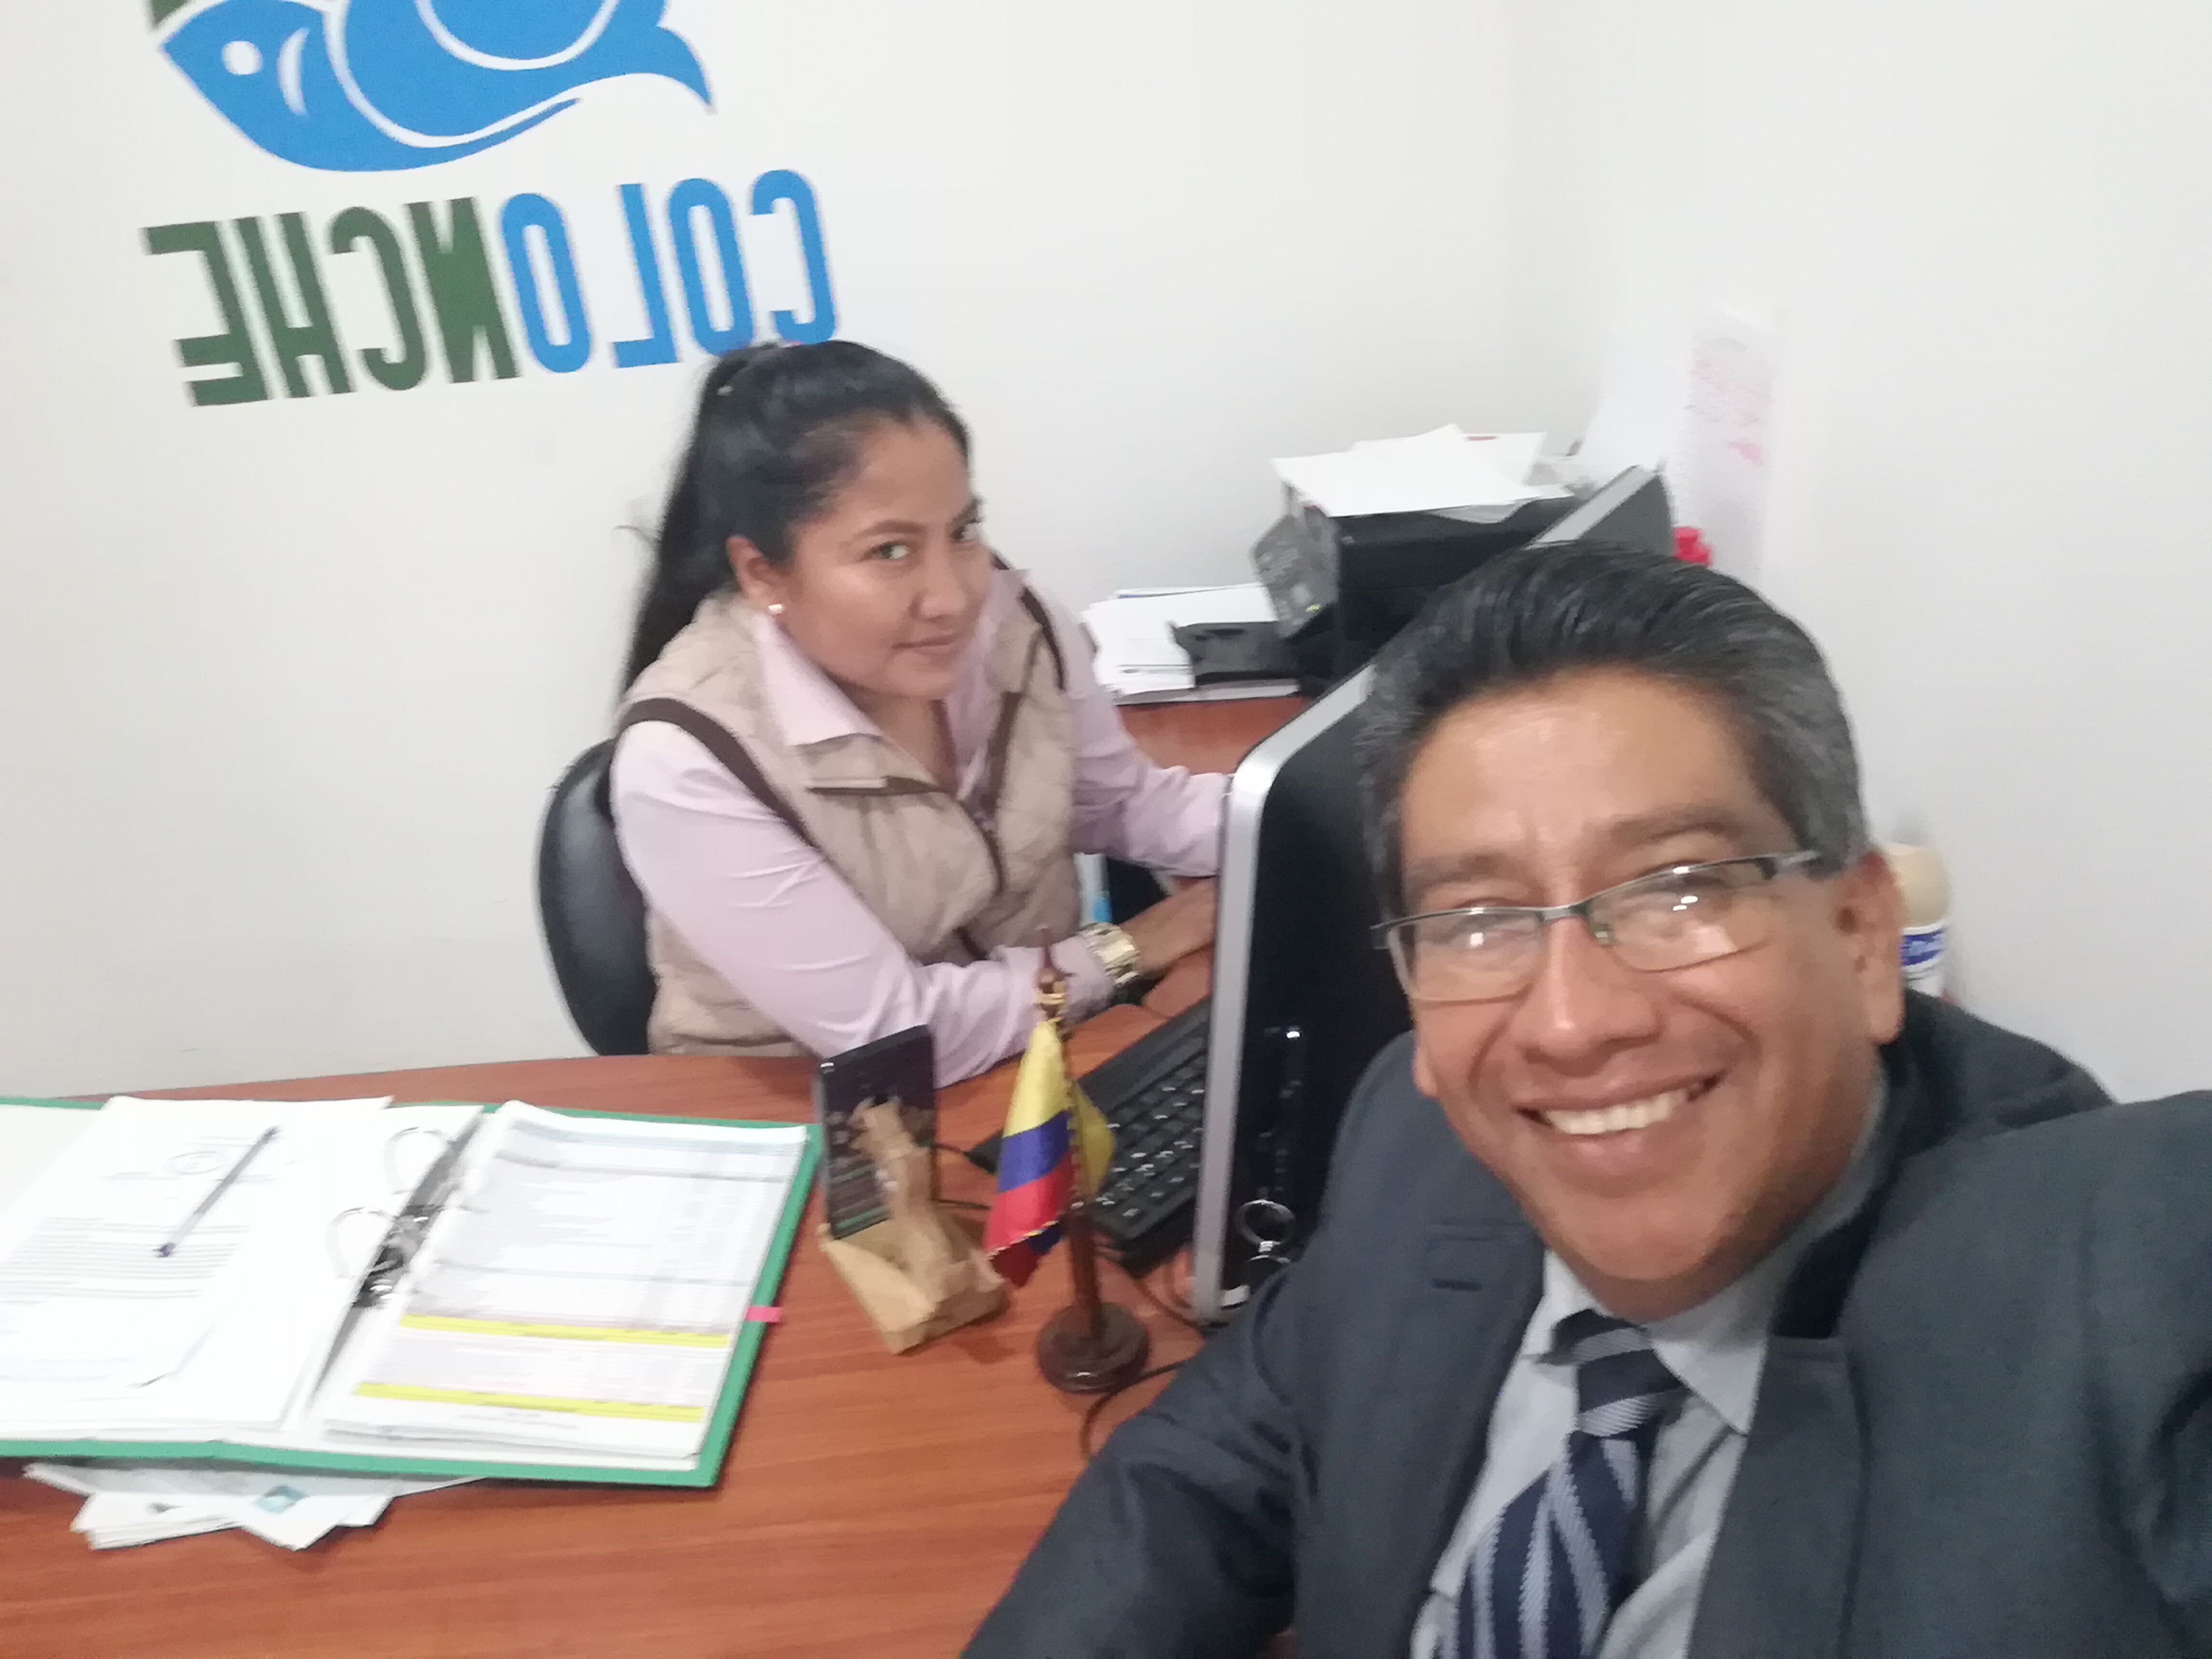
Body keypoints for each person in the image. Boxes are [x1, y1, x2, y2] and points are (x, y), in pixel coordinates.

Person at [968, 542, 2212, 1658]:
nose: (1572, 1023)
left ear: (1859, 934)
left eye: (1679, 888)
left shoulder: (2106, 1292)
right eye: (1478, 920)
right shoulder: (1415, 1134)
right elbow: (1223, 1455)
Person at [613, 342, 1224, 1082]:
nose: (953, 597)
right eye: (891, 552)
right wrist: (1129, 949)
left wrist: (1301, 811)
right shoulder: (689, 759)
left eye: (962, 533)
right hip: (822, 1112)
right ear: (762, 573)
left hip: (1039, 1062)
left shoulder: (1016, 621)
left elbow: (1119, 802)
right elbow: (893, 1034)